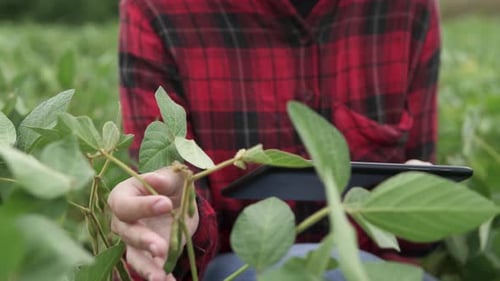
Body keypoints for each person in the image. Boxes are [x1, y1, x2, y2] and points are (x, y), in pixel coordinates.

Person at [108, 0, 441, 280]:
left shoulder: (407, 8)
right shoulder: (157, 8)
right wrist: (173, 217)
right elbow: (178, 233)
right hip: (225, 268)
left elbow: (408, 251)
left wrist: (413, 199)